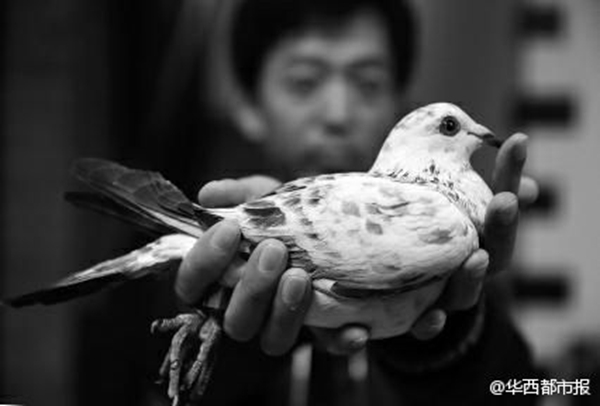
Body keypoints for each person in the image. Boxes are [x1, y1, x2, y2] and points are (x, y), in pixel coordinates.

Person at [173, 0, 540, 404]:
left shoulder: (470, 267)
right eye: (304, 82)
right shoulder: (180, 272)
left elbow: (524, 390)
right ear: (247, 105)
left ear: (400, 103)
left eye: (367, 83)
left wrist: (443, 326)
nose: (338, 114)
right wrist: (232, 340)